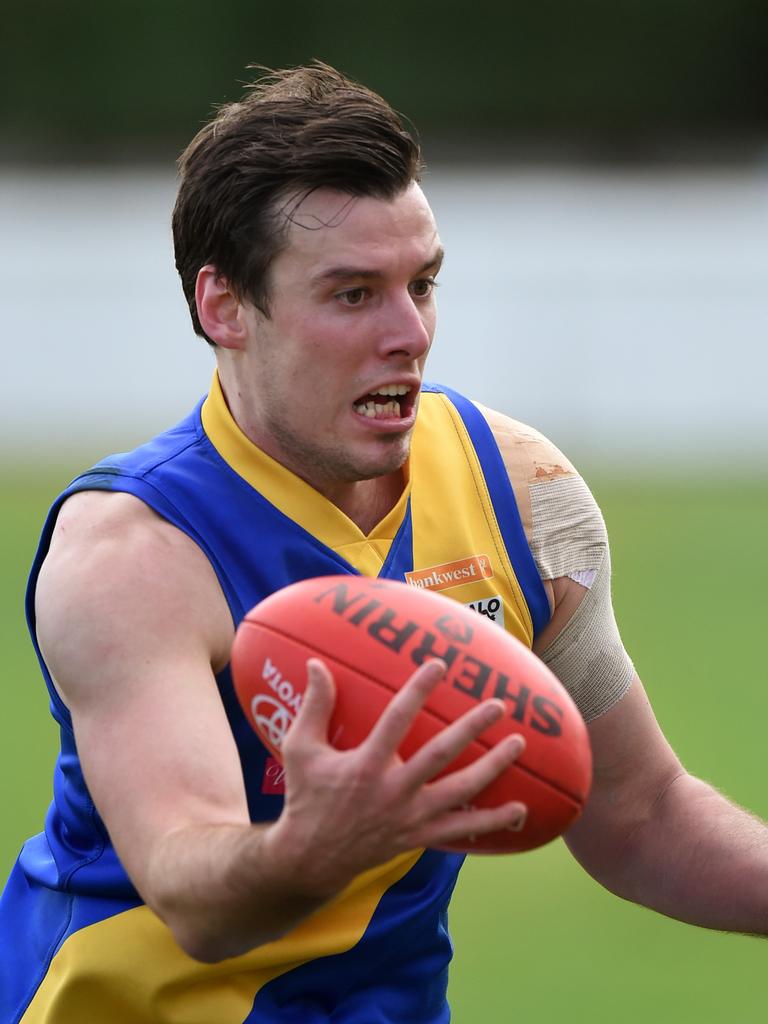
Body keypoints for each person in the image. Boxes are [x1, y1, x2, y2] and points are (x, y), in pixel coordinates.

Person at [1, 62, 766, 1024]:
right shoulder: (135, 553)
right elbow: (193, 893)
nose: (411, 333)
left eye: (424, 283)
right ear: (223, 308)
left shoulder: (519, 495)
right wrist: (318, 843)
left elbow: (642, 814)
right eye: (354, 294)